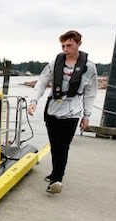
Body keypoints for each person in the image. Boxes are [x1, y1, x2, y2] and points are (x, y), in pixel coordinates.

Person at [27, 30, 98, 194]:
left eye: (69, 45)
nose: (65, 49)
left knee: (63, 146)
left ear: (79, 44)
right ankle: (55, 171)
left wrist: (87, 116)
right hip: (52, 109)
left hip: (72, 111)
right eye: (63, 46)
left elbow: (91, 92)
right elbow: (42, 82)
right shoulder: (54, 64)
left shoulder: (89, 67)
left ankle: (57, 179)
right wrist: (33, 101)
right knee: (54, 144)